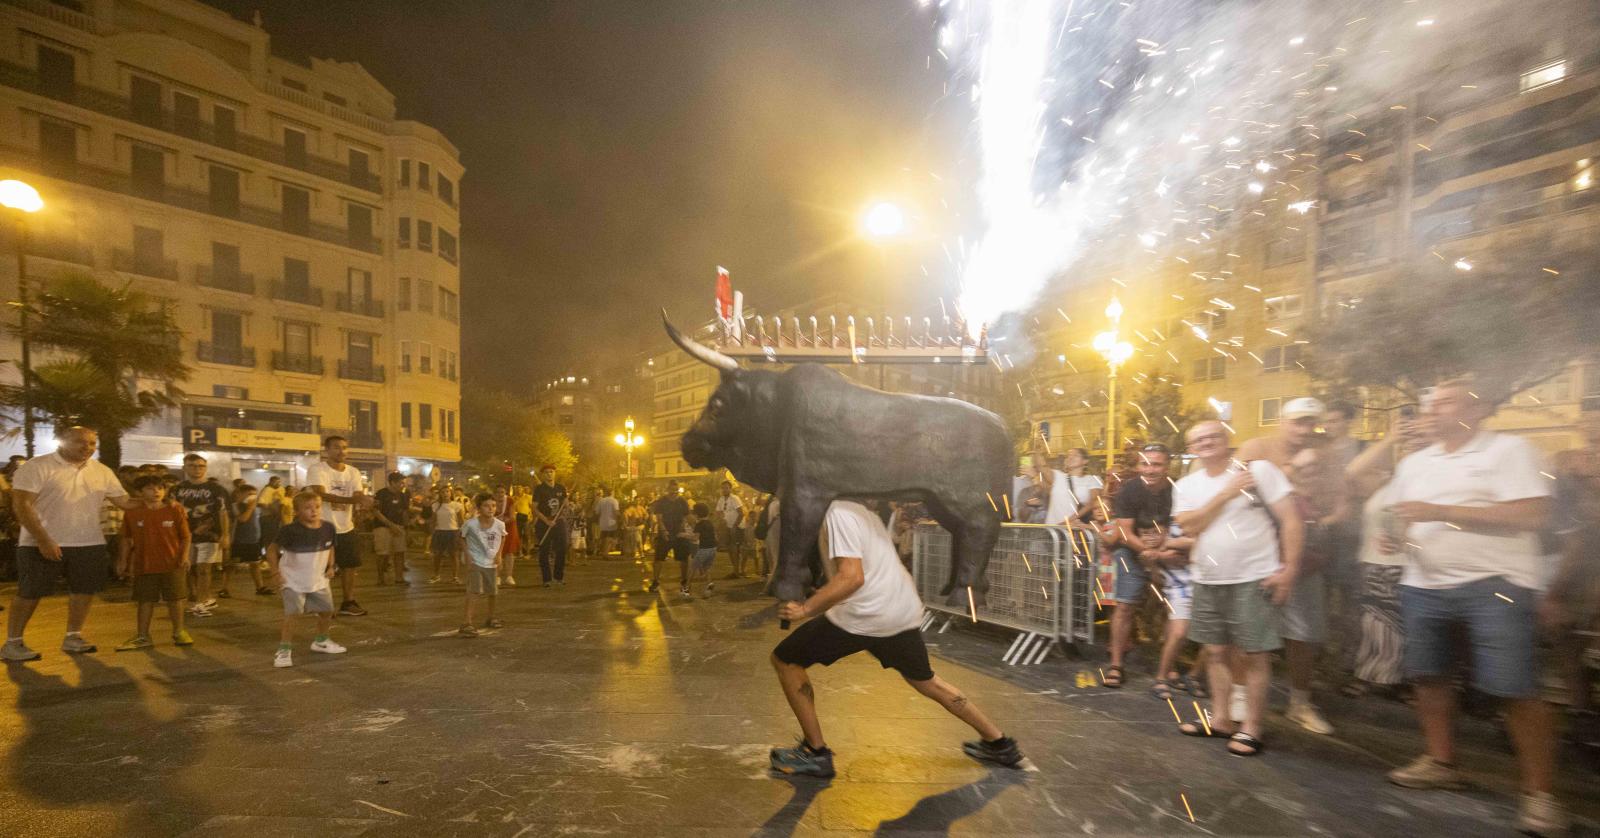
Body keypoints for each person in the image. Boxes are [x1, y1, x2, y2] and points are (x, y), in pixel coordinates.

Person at [1380, 380, 1565, 836]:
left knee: (1513, 685)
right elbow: (1408, 517)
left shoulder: (1511, 450)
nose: (1433, 411)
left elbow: (1532, 514)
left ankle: (1540, 796)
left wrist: (1438, 511)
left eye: (1445, 402)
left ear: (1477, 409)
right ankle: (1441, 762)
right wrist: (1399, 537)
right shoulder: (1417, 462)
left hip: (1496, 584)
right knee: (1429, 676)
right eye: (1430, 404)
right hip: (1424, 582)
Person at [769, 500, 1024, 777]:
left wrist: (806, 609)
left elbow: (852, 577)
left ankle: (815, 752)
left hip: (868, 614)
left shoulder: (837, 512)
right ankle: (999, 743)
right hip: (899, 608)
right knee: (927, 681)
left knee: (786, 659)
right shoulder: (861, 511)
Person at [1173, 420, 1301, 757]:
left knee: (1254, 654)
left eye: (1214, 436)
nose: (1207, 442)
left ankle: (1252, 728)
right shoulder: (1186, 484)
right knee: (1215, 652)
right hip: (1207, 578)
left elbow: (1291, 519)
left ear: (1228, 439)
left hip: (1253, 576)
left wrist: (1289, 570)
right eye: (1198, 439)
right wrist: (1228, 493)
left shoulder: (1259, 471)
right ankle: (1222, 720)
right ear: (1190, 449)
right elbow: (1189, 524)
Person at [1236, 396, 1339, 735]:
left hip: (1302, 558)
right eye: (1298, 421)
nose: (1305, 429)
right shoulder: (1257, 446)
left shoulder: (1325, 457)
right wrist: (1291, 475)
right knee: (1247, 629)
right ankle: (1240, 697)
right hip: (1256, 555)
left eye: (1311, 423)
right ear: (1282, 421)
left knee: (1302, 635)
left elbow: (1331, 503)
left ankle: (1299, 702)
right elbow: (1234, 490)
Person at [2, 428, 144, 661]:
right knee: (30, 592)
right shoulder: (37, 466)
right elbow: (22, 505)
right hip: (41, 543)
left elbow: (124, 502)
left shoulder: (102, 471)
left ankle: (73, 636)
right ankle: (13, 643)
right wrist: (42, 539)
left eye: (92, 443)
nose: (87, 447)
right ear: (62, 441)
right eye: (80, 442)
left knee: (84, 590)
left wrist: (154, 501)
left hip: (88, 542)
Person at [1344, 408, 1434, 698]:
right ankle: (1379, 679)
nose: (1412, 440)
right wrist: (1391, 438)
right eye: (1409, 434)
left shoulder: (1431, 476)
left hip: (1405, 565)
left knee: (1390, 627)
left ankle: (1395, 683)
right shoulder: (1392, 479)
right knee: (1376, 627)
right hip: (1374, 563)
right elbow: (1351, 473)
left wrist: (1406, 545)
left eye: (1418, 435)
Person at [1104, 443, 1174, 688]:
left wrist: (1163, 548)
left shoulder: (1176, 490)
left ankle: (1169, 664)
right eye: (1145, 463)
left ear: (1167, 466)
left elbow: (1182, 524)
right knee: (1124, 606)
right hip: (1131, 550)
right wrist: (1146, 551)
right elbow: (1123, 532)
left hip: (1167, 551)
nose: (1150, 469)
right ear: (1137, 466)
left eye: (1156, 464)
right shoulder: (1128, 491)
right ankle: (1116, 665)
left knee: (1171, 609)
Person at [267, 491, 347, 668]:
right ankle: (284, 649)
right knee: (292, 614)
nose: (314, 511)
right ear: (297, 511)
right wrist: (275, 573)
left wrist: (331, 566)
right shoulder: (289, 531)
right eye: (308, 508)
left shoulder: (328, 528)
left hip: (318, 580)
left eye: (317, 507)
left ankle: (321, 641)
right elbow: (272, 550)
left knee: (327, 612)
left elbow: (330, 547)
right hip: (292, 580)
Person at [114, 476, 193, 651]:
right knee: (145, 600)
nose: (156, 492)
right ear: (139, 492)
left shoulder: (175, 509)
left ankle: (179, 632)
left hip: (172, 563)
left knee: (176, 599)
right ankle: (143, 636)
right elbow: (126, 538)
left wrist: (184, 556)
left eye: (160, 488)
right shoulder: (133, 512)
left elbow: (186, 536)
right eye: (150, 488)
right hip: (144, 563)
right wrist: (123, 561)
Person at [306, 437, 369, 617]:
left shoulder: (353, 472)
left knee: (350, 566)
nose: (341, 451)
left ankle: (348, 602)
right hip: (321, 526)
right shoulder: (317, 469)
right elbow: (320, 494)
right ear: (327, 450)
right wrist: (354, 500)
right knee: (321, 568)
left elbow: (358, 493)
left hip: (345, 527)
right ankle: (319, 604)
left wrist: (361, 500)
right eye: (336, 448)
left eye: (344, 447)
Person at [1142, 519, 1201, 701]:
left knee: (1216, 641)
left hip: (1205, 586)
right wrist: (1154, 561)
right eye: (1144, 533)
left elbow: (1199, 543)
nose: (1150, 537)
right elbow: (1159, 580)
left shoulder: (1178, 529)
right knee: (1178, 633)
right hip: (1179, 590)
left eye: (1154, 531)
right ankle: (1161, 678)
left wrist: (1166, 548)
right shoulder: (1147, 553)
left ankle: (1193, 676)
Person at [171, 454, 231, 618]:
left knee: (204, 569)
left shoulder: (216, 489)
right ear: (185, 468)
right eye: (192, 465)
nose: (197, 469)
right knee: (189, 568)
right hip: (184, 535)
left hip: (209, 535)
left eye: (200, 466)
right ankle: (197, 597)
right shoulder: (177, 489)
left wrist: (225, 535)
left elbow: (223, 512)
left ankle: (203, 600)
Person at [459, 492, 506, 637]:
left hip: (491, 562)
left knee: (492, 591)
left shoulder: (499, 524)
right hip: (476, 561)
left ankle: (491, 617)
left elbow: (503, 537)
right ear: (479, 508)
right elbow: (461, 537)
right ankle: (467, 622)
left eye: (493, 505)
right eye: (486, 506)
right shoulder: (471, 524)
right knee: (474, 591)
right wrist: (467, 554)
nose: (491, 508)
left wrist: (499, 555)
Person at [222, 483, 268, 597]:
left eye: (254, 495)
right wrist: (250, 507)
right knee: (231, 566)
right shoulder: (235, 506)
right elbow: (243, 519)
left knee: (255, 564)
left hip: (253, 540)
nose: (252, 497)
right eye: (249, 494)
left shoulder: (256, 508)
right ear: (240, 495)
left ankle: (260, 587)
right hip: (239, 541)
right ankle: (224, 588)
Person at [649, 480, 692, 595]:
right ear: (668, 490)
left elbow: (686, 516)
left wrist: (684, 529)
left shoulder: (682, 501)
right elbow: (659, 518)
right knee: (658, 558)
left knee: (683, 559)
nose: (674, 493)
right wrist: (663, 530)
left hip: (679, 534)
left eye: (676, 491)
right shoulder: (662, 501)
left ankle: (684, 581)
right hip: (665, 533)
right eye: (672, 491)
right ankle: (655, 581)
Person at [372, 472, 410, 587]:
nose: (403, 485)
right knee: (382, 553)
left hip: (399, 527)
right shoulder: (381, 494)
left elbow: (404, 512)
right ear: (393, 482)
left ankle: (399, 578)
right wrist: (390, 525)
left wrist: (406, 528)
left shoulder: (403, 496)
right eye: (401, 483)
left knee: (400, 552)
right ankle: (380, 579)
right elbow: (376, 511)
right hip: (382, 526)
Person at [532, 465, 569, 586]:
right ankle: (546, 579)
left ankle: (559, 577)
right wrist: (546, 520)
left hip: (559, 522)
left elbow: (564, 506)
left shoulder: (560, 488)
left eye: (551, 472)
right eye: (547, 472)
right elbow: (534, 509)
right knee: (544, 550)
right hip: (544, 523)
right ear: (543, 474)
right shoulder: (539, 489)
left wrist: (566, 504)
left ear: (555, 473)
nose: (549, 474)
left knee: (562, 548)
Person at [1049, 448, 1103, 526]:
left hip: (1075, 526)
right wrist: (1038, 448)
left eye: (1075, 455)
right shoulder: (1058, 476)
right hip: (1052, 526)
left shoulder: (1093, 479)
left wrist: (1066, 522)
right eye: (1068, 456)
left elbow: (1093, 502)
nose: (1070, 457)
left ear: (1085, 461)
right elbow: (1041, 467)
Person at [429, 487, 464, 584]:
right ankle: (436, 575)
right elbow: (433, 520)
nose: (445, 494)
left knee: (454, 555)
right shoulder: (436, 505)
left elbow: (461, 520)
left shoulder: (457, 505)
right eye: (443, 492)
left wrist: (462, 533)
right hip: (439, 531)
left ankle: (455, 577)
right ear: (440, 493)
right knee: (437, 555)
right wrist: (432, 532)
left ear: (450, 493)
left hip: (453, 532)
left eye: (447, 491)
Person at [714, 481, 747, 577]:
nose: (724, 490)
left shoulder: (735, 498)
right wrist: (721, 519)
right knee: (729, 548)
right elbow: (718, 511)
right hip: (727, 526)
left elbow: (741, 513)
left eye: (726, 488)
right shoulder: (721, 499)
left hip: (737, 526)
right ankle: (735, 570)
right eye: (723, 488)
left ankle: (737, 570)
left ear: (730, 489)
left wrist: (735, 526)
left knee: (735, 548)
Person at [493, 485, 522, 585]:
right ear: (494, 494)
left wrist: (501, 522)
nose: (500, 494)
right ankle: (497, 576)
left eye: (502, 492)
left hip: (509, 528)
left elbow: (512, 516)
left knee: (509, 552)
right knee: (496, 551)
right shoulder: (491, 502)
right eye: (498, 492)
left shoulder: (509, 501)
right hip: (495, 529)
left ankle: (509, 576)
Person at [689, 502, 718, 597]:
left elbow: (695, 538)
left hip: (703, 549)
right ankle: (708, 589)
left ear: (697, 514)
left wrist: (684, 535)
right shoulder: (710, 523)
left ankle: (686, 591)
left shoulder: (699, 524)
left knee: (692, 570)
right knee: (706, 569)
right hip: (713, 549)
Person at [595, 487, 621, 558]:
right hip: (612, 523)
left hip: (603, 522)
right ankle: (605, 553)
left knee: (604, 537)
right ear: (612, 492)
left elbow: (597, 512)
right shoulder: (614, 501)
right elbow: (616, 511)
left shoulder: (601, 501)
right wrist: (620, 517)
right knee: (610, 538)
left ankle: (602, 551)